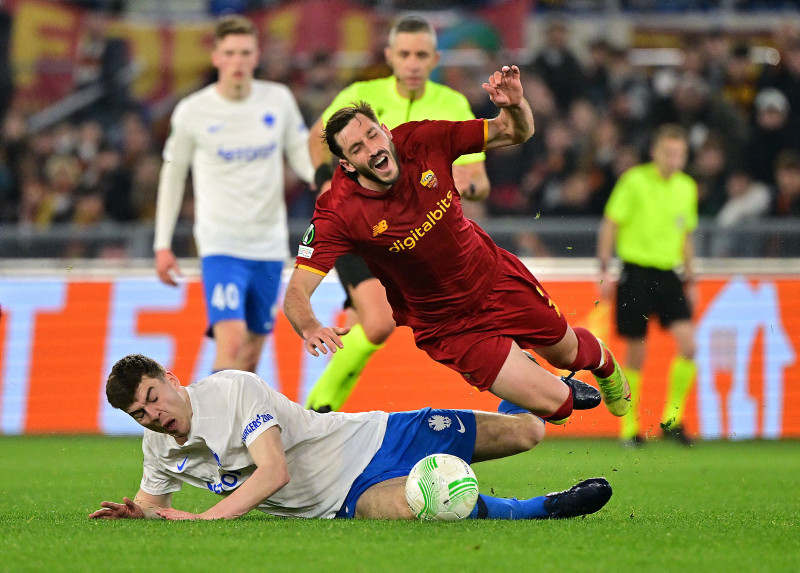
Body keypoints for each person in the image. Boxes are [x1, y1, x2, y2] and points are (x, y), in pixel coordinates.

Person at [283, 65, 630, 431]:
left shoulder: (425, 139)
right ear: (346, 164)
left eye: (372, 135)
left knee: (569, 352)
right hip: (447, 325)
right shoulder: (338, 211)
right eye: (357, 148)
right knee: (558, 407)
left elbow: (514, 131)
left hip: (494, 279)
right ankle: (529, 378)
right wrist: (309, 326)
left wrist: (514, 106)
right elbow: (296, 293)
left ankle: (603, 363)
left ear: (385, 131)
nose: (372, 149)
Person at [89, 354, 612, 521]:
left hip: (377, 436)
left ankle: (538, 386)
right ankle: (541, 509)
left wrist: (202, 520)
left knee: (528, 433)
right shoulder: (157, 448)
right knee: (423, 508)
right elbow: (150, 506)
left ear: (173, 379)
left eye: (154, 397)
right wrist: (142, 514)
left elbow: (274, 472)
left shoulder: (232, 391)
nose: (154, 415)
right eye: (140, 413)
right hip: (345, 499)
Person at [304, 15, 491, 413]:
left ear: (435, 58)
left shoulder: (452, 104)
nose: (412, 63)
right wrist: (324, 180)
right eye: (404, 54)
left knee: (369, 326)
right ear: (389, 55)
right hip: (358, 224)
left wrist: (461, 181)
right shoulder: (361, 94)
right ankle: (315, 413)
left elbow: (479, 178)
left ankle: (317, 420)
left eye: (421, 55)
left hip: (412, 236)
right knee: (378, 321)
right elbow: (317, 138)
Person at [153, 15, 314, 373]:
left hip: (269, 246)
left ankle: (228, 423)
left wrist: (322, 178)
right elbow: (173, 175)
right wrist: (162, 244)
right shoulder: (194, 111)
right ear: (216, 57)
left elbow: (299, 153)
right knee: (233, 341)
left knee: (250, 358)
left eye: (245, 52)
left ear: (257, 56)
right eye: (230, 53)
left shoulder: (278, 100)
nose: (238, 61)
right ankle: (210, 430)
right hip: (221, 245)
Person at [597, 123, 698, 447]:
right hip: (636, 272)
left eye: (679, 153)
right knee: (636, 352)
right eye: (669, 152)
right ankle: (630, 428)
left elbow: (686, 236)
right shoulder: (634, 181)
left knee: (690, 346)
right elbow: (610, 224)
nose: (674, 159)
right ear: (655, 152)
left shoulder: (687, 187)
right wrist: (603, 268)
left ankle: (672, 418)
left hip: (669, 274)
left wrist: (691, 278)